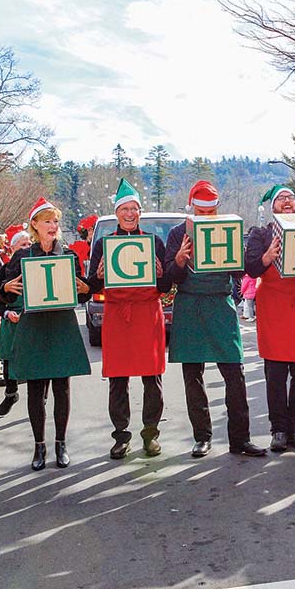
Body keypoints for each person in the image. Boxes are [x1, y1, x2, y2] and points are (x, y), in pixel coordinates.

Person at [165, 181, 266, 458]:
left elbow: (242, 270)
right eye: (201, 212)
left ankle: (240, 439)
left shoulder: (226, 229)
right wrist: (179, 260)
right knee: (193, 375)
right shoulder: (177, 234)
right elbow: (169, 278)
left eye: (211, 212)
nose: (206, 216)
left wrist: (237, 257)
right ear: (192, 209)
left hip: (220, 304)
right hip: (190, 305)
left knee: (234, 373)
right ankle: (202, 437)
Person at [0, 198, 91, 470]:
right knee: (36, 390)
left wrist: (86, 290)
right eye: (47, 221)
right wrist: (5, 289)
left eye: (55, 221)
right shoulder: (22, 256)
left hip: (61, 326)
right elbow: (3, 295)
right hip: (34, 328)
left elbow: (81, 293)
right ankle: (39, 446)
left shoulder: (69, 255)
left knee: (62, 387)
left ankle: (61, 443)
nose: (53, 225)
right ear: (35, 225)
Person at [86, 181, 170, 460]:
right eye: (125, 209)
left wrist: (162, 274)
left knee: (152, 377)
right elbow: (92, 285)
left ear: (140, 212)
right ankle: (121, 436)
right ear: (117, 213)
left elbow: (166, 286)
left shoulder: (154, 243)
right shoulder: (103, 244)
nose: (130, 213)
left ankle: (151, 433)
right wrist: (98, 275)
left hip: (147, 313)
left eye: (134, 209)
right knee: (118, 378)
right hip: (117, 315)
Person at [245, 185, 295, 452]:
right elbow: (250, 267)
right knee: (275, 374)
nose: (287, 202)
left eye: (290, 198)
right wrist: (267, 257)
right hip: (274, 309)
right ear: (273, 206)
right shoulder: (260, 234)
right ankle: (278, 429)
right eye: (281, 199)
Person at [0, 230, 29, 417]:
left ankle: (41, 399)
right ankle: (11, 393)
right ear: (13, 248)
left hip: (32, 319)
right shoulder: (5, 270)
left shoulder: (37, 267)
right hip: (12, 320)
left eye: (29, 245)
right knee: (8, 359)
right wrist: (7, 313)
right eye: (22, 245)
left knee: (36, 362)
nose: (26, 248)